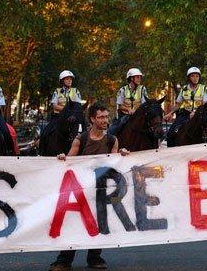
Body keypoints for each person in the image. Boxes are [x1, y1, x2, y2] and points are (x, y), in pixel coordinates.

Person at [49, 102, 129, 271]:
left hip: (100, 190)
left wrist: (122, 155)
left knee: (99, 223)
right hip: (81, 191)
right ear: (92, 119)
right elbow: (70, 160)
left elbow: (113, 165)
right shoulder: (81, 139)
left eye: (106, 117)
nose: (105, 120)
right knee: (74, 223)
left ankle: (95, 257)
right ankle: (64, 260)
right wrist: (63, 157)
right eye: (100, 117)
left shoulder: (112, 140)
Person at [164, 67, 207, 146]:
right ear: (189, 78)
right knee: (171, 133)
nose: (195, 78)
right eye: (193, 76)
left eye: (197, 76)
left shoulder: (203, 88)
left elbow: (205, 103)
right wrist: (170, 113)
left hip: (200, 115)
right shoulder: (184, 89)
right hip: (185, 114)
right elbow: (178, 104)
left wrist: (195, 112)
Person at [40, 70, 82, 149]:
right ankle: (41, 150)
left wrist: (72, 112)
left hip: (72, 118)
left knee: (83, 132)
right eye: (67, 79)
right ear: (62, 81)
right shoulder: (57, 91)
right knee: (46, 131)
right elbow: (55, 106)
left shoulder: (76, 91)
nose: (69, 80)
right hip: (58, 117)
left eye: (71, 79)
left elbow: (78, 106)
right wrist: (67, 109)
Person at [108, 68, 148, 136]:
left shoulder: (143, 89)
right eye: (137, 77)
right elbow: (120, 106)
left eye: (140, 77)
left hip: (139, 115)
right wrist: (128, 109)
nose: (140, 79)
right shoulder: (122, 90)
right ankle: (110, 141)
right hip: (125, 115)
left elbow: (144, 104)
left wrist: (136, 111)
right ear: (132, 78)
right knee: (112, 130)